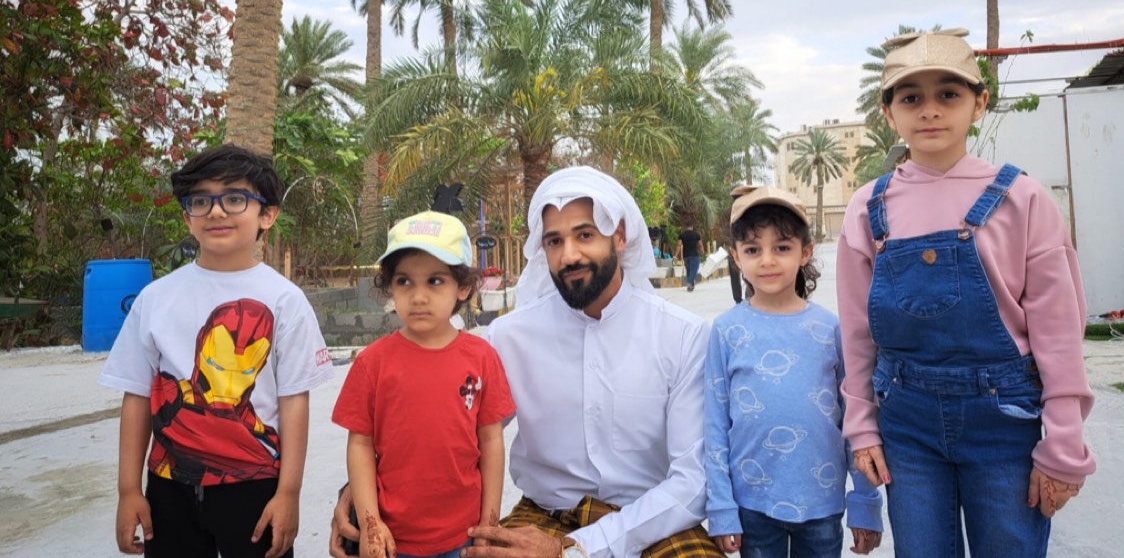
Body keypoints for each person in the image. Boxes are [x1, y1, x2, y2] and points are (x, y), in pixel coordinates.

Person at [331, 166, 719, 558]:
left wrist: (578, 550)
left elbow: (691, 481)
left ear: (619, 235)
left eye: (585, 235)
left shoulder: (681, 336)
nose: (569, 255)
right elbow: (441, 430)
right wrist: (361, 497)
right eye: (554, 241)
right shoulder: (507, 338)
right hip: (544, 515)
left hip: (651, 521)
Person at [836, 29, 1096, 556]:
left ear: (980, 103)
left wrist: (1064, 440)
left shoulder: (1022, 197)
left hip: (1006, 421)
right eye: (911, 97)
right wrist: (862, 425)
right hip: (907, 425)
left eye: (948, 94)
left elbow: (1058, 330)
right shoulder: (867, 208)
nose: (930, 110)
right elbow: (858, 333)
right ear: (888, 113)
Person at [100, 143, 334, 557]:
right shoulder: (155, 299)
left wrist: (289, 493)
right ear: (187, 216)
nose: (216, 211)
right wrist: (128, 490)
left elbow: (293, 400)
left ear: (267, 214)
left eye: (234, 198)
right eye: (201, 200)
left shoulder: (286, 301)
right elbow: (136, 396)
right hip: (169, 490)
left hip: (256, 491)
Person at [705, 186, 882, 558]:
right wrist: (721, 507)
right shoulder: (726, 331)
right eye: (753, 250)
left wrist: (865, 501)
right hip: (752, 505)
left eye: (782, 247)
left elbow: (856, 419)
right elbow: (715, 426)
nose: (767, 261)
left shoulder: (831, 330)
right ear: (736, 257)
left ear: (805, 252)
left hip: (822, 503)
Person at [332, 210, 516, 558]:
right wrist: (371, 523)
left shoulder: (482, 359)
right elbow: (360, 444)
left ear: (463, 286)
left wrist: (488, 526)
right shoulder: (372, 363)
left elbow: (491, 441)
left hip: (463, 538)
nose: (418, 296)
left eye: (434, 281)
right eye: (404, 281)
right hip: (392, 540)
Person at [674, 221, 705, 292]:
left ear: (685, 227)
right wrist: (702, 251)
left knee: (689, 271)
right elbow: (700, 245)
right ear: (692, 226)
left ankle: (690, 287)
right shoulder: (696, 234)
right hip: (694, 255)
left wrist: (675, 256)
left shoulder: (682, 235)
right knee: (694, 270)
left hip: (686, 256)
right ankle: (689, 282)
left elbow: (678, 245)